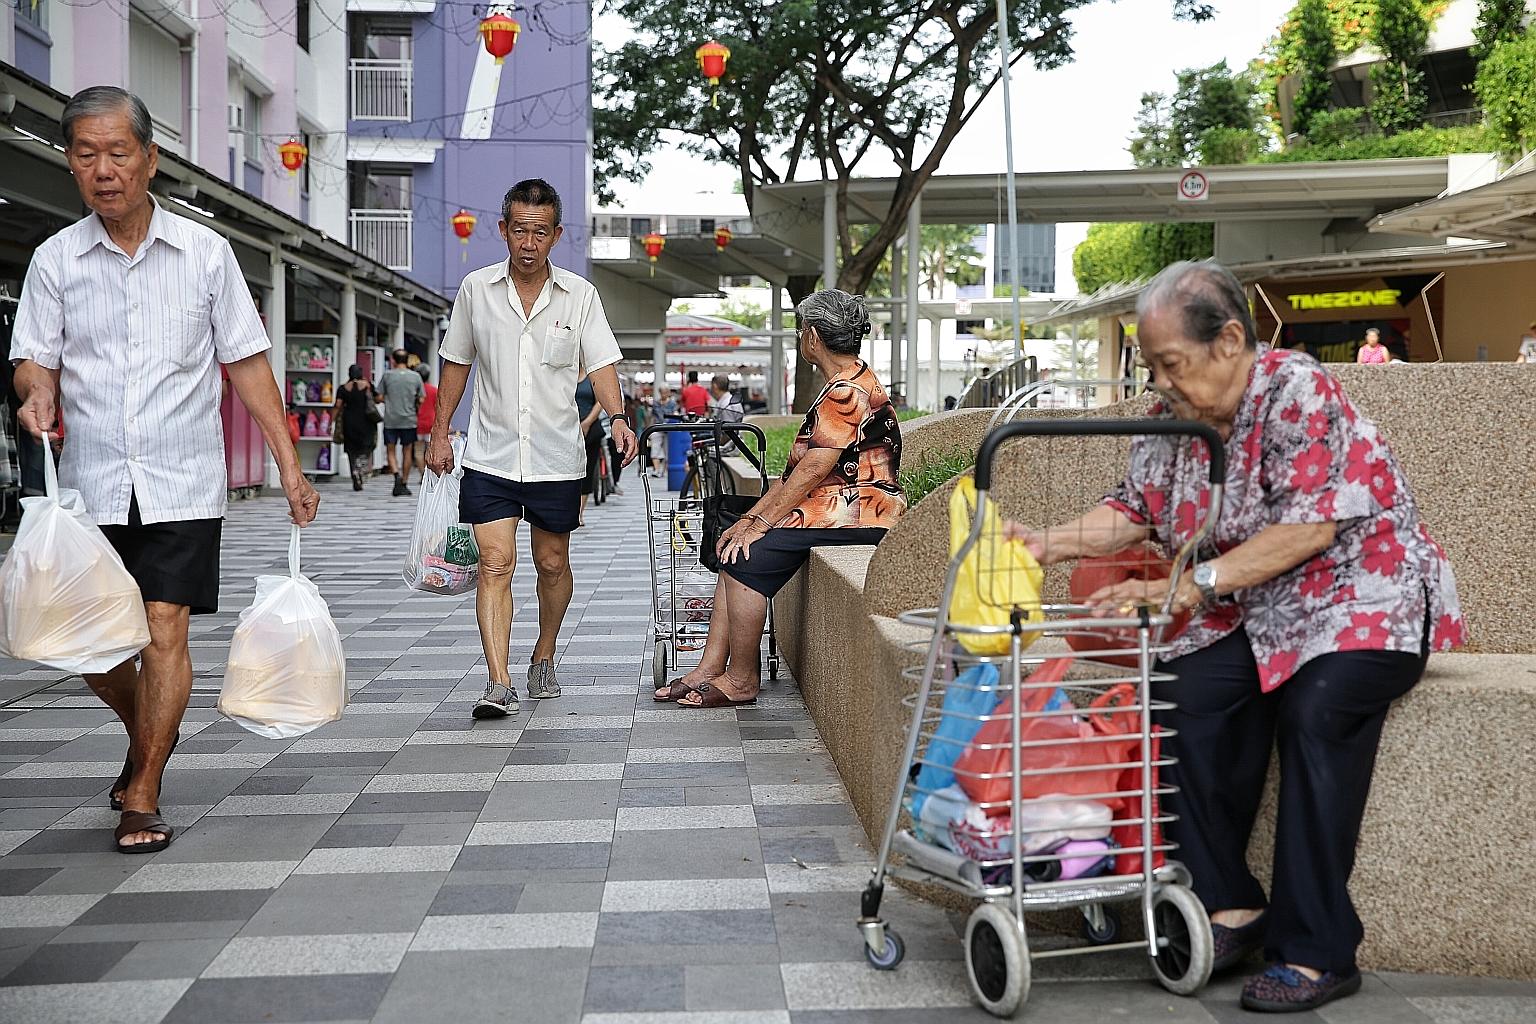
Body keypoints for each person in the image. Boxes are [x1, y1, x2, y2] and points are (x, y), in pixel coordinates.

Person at [1007, 262, 1464, 1013]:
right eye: (1152, 366)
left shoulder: (1295, 389)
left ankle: (1318, 950)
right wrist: (1046, 542)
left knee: (1317, 710)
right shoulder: (1172, 416)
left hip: (1363, 600)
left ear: (1227, 342)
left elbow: (1311, 527)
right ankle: (1229, 906)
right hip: (1255, 611)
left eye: (1171, 363)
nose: (1161, 382)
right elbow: (1135, 509)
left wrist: (1192, 584)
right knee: (1177, 694)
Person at [9, 86, 319, 854]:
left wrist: (289, 466)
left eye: (119, 153)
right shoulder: (55, 261)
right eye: (87, 154)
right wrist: (35, 389)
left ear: (150, 158)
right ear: (70, 162)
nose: (104, 170)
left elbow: (248, 365)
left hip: (183, 480)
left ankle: (143, 790)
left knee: (162, 628)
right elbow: (32, 358)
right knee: (88, 645)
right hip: (90, 483)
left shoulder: (206, 254)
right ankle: (150, 728)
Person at [426, 178, 637, 717]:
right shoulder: (476, 289)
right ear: (503, 229)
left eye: (539, 232)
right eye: (519, 230)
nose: (528, 242)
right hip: (490, 454)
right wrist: (439, 430)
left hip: (555, 455)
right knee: (495, 563)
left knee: (552, 563)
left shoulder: (579, 295)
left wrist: (618, 418)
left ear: (556, 235)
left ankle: (543, 653)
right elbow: (456, 363)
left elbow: (602, 365)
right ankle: (498, 681)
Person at [655, 289, 906, 708]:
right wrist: (747, 521)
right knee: (733, 543)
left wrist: (760, 525)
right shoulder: (846, 382)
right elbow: (796, 474)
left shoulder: (847, 391)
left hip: (859, 510)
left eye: (799, 330)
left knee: (746, 556)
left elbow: (812, 470)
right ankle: (709, 667)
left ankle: (741, 679)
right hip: (836, 505)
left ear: (813, 337)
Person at [378, 349, 423, 495]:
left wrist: (389, 400)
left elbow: (379, 396)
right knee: (407, 451)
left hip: (390, 419)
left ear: (393, 360)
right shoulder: (415, 377)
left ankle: (396, 474)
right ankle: (404, 481)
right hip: (409, 419)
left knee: (390, 450)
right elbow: (421, 398)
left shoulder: (387, 375)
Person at [334, 364, 377, 490]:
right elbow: (377, 398)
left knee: (351, 449)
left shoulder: (343, 388)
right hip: (366, 421)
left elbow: (338, 405)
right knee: (366, 447)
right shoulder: (368, 385)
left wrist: (332, 421)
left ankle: (354, 470)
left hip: (349, 422)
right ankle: (360, 470)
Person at [576, 371, 604, 525]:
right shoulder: (564, 372)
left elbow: (600, 401)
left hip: (590, 429)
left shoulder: (592, 375)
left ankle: (579, 513)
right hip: (565, 428)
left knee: (587, 471)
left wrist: (587, 423)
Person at [414, 362, 437, 483]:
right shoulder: (434, 390)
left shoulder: (414, 390)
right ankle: (429, 475)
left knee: (418, 451)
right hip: (431, 423)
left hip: (417, 423)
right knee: (429, 450)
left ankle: (422, 474)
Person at [649, 386, 678, 478]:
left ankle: (663, 471)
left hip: (669, 429)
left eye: (666, 392)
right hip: (657, 428)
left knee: (667, 451)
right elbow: (652, 416)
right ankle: (657, 470)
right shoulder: (656, 403)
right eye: (662, 392)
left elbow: (675, 415)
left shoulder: (672, 404)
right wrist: (648, 429)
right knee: (655, 448)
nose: (664, 394)